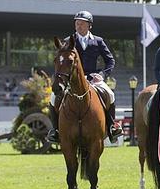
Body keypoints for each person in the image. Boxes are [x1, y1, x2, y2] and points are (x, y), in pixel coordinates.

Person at [46, 10, 123, 143]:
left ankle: (111, 127)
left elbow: (110, 61)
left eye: (82, 23)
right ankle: (56, 130)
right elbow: (61, 62)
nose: (78, 26)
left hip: (93, 78)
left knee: (110, 94)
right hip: (72, 80)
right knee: (53, 98)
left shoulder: (98, 41)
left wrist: (102, 75)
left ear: (89, 25)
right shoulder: (68, 41)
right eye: (77, 23)